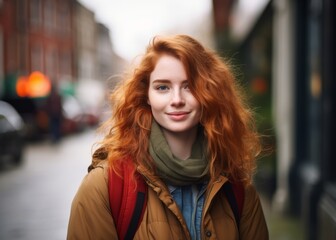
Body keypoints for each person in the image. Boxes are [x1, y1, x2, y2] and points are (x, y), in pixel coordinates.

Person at [67, 34, 269, 239]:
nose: (177, 100)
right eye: (162, 87)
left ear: (210, 92)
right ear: (146, 95)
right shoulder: (105, 186)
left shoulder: (236, 187)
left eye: (189, 86)